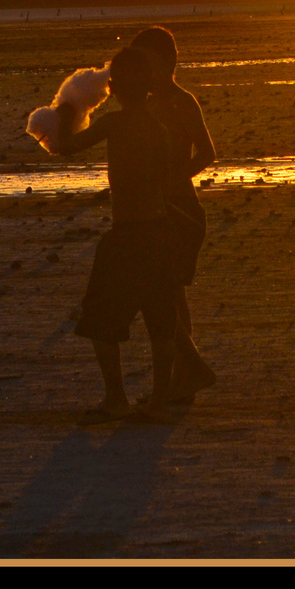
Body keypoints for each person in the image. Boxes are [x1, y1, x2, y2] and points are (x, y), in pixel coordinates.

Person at [51, 47, 177, 424]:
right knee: (161, 321)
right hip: (160, 230)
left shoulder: (114, 124)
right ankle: (158, 402)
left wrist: (66, 111)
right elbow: (167, 180)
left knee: (100, 319)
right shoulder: (158, 128)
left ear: (114, 87)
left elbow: (64, 146)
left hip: (128, 235)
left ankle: (116, 398)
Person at [131, 26, 218, 404]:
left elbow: (207, 153)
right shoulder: (143, 103)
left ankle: (182, 377)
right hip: (153, 210)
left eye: (147, 62)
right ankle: (182, 377)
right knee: (168, 299)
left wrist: (172, 180)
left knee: (169, 299)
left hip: (182, 211)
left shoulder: (183, 101)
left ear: (168, 61)